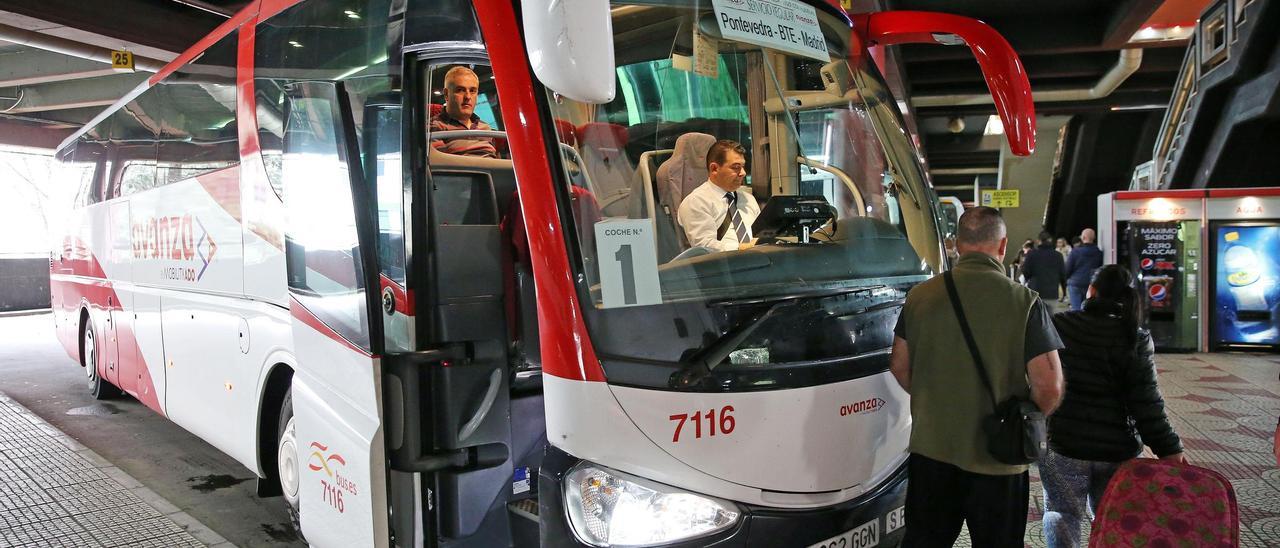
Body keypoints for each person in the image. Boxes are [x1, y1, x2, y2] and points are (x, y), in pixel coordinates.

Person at [890, 206, 1065, 548]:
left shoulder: (920, 296)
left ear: (955, 245)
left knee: (925, 540)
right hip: (998, 461)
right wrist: (1019, 420)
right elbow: (1050, 386)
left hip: (932, 452)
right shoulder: (1024, 301)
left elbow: (899, 364)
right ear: (1003, 246)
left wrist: (931, 398)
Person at [1041, 264, 1186, 548]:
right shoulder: (1135, 337)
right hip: (1117, 450)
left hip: (1064, 445)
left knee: (1061, 514)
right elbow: (1146, 402)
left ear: (1091, 291)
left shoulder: (1061, 325)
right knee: (1112, 519)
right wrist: (1169, 448)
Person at [676, 139, 760, 252]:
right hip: (723, 266)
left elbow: (762, 234)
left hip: (759, 261)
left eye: (743, 166)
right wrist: (741, 249)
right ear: (714, 169)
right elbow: (704, 246)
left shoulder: (748, 199)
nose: (743, 173)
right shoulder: (696, 202)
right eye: (736, 167)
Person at [429, 66, 498, 158]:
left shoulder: (486, 128)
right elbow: (441, 168)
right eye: (460, 90)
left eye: (473, 91)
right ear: (446, 94)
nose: (468, 96)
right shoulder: (434, 126)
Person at [1065, 228, 1103, 310]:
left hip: (1075, 284)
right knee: (1087, 309)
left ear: (1083, 238)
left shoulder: (1075, 252)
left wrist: (1066, 279)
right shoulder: (1099, 253)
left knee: (1076, 310)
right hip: (1090, 284)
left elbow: (1067, 269)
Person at [1022, 231, 1066, 302]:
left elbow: (1026, 272)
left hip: (1035, 292)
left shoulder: (1032, 254)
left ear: (1038, 241)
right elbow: (1063, 275)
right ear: (1050, 240)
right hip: (1052, 294)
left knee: (1034, 312)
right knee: (1050, 313)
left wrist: (1028, 280)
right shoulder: (1058, 256)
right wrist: (1064, 292)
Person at [1056, 237, 1072, 303]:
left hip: (1066, 267)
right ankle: (1061, 297)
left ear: (1064, 242)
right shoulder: (1056, 249)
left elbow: (1070, 257)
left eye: (1060, 242)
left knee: (1066, 283)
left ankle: (1067, 297)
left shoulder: (1068, 248)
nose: (1059, 244)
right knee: (1060, 284)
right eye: (1058, 242)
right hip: (1059, 268)